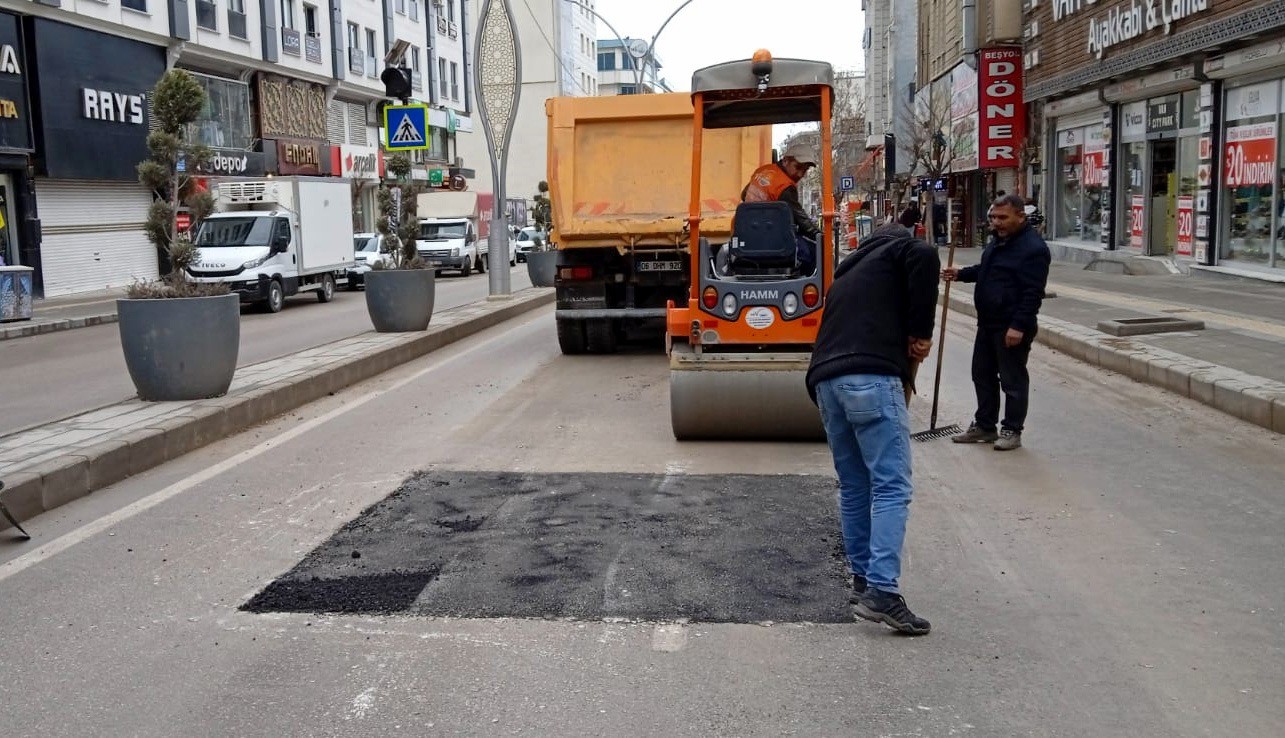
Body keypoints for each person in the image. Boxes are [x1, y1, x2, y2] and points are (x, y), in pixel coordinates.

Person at [805, 207, 941, 636]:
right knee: (890, 484)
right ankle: (881, 590)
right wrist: (921, 332)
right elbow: (926, 255)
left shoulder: (851, 268)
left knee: (855, 485)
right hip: (870, 377)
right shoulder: (905, 248)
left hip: (825, 381)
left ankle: (863, 580)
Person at [942, 193, 1051, 451]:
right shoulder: (997, 242)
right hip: (988, 323)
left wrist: (1019, 326)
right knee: (982, 374)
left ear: (1020, 216)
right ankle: (985, 426)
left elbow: (1032, 293)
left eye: (1003, 217)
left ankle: (1012, 430)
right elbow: (986, 270)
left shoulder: (1033, 249)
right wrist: (960, 274)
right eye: (993, 217)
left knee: (1012, 380)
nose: (997, 222)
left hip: (1010, 325)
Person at [742, 141, 823, 273]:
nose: (800, 174)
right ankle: (809, 288)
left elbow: (743, 194)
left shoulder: (762, 171)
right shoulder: (785, 187)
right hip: (772, 237)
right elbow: (801, 221)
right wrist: (819, 236)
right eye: (798, 167)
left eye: (805, 170)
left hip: (746, 233)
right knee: (812, 252)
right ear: (785, 161)